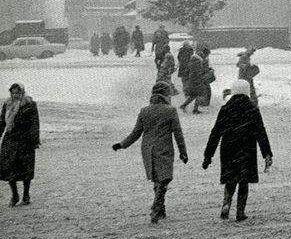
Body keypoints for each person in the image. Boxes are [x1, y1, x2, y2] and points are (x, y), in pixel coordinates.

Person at [112, 82, 188, 224]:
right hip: (164, 149)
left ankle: (161, 210)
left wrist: (122, 144)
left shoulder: (144, 111)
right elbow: (178, 134)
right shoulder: (170, 111)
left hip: (147, 149)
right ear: (164, 94)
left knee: (157, 179)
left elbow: (136, 133)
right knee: (164, 179)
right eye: (168, 92)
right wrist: (183, 152)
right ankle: (156, 208)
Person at [203, 80, 273, 222]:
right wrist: (266, 153)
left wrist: (208, 156)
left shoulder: (226, 109)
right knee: (243, 181)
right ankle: (240, 212)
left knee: (230, 179)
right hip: (247, 149)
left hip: (228, 148)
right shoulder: (252, 109)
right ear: (247, 91)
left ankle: (226, 204)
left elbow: (216, 133)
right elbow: (261, 132)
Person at [0, 83, 39, 207]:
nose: (15, 95)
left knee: (25, 168)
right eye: (13, 93)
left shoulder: (30, 104)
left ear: (22, 92)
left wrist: (34, 140)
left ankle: (26, 195)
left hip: (25, 140)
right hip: (10, 139)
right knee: (9, 168)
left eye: (18, 93)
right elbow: (2, 123)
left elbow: (34, 123)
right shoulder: (7, 104)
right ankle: (14, 195)